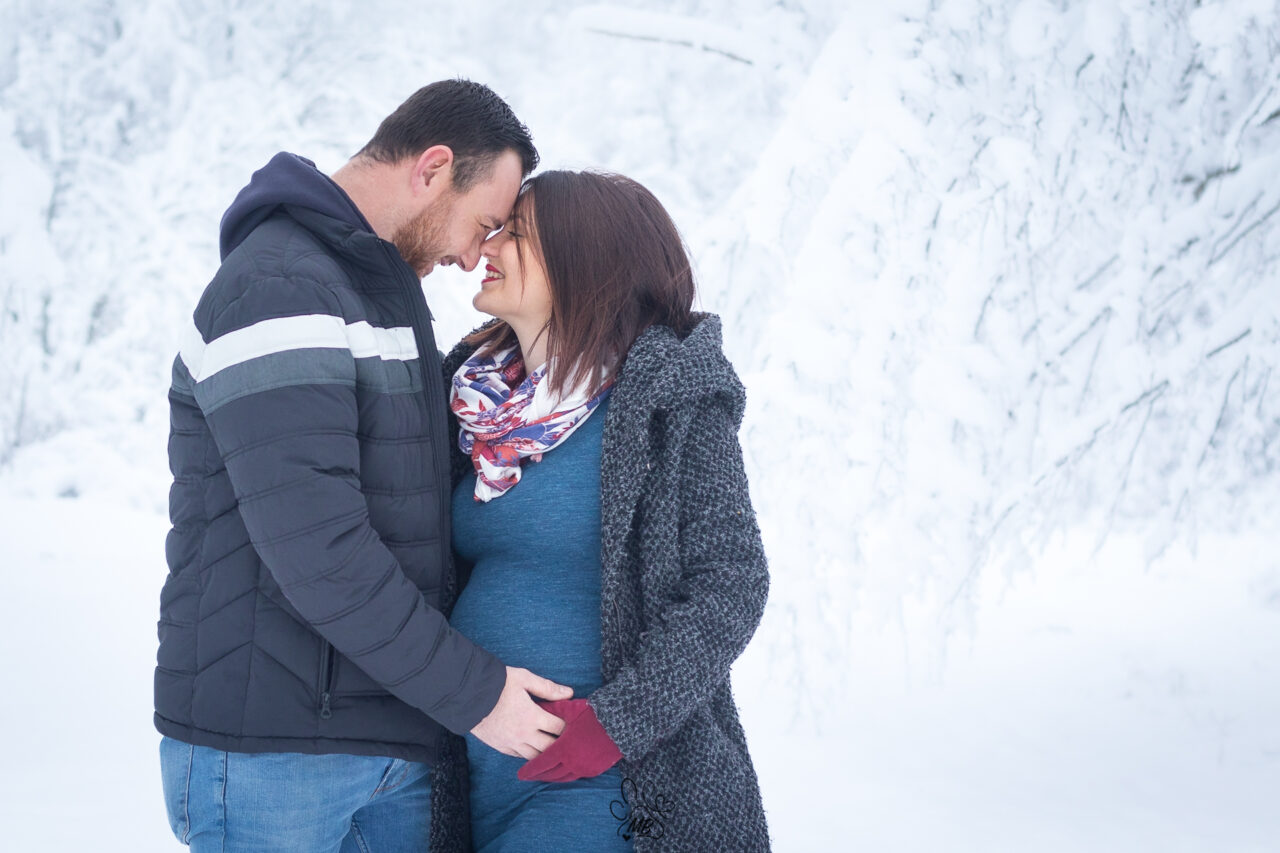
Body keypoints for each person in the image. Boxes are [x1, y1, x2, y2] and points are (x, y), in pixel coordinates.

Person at [154, 80, 577, 852]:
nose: (471, 256)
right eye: (482, 222)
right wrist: (480, 695)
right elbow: (321, 550)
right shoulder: (279, 288)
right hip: (272, 756)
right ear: (432, 167)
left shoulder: (380, 298)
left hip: (386, 741)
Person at [439, 170, 772, 852]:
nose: (490, 243)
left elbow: (731, 581)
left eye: (518, 233)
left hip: (607, 784)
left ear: (582, 262)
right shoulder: (471, 403)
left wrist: (618, 722)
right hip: (472, 781)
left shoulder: (667, 400)